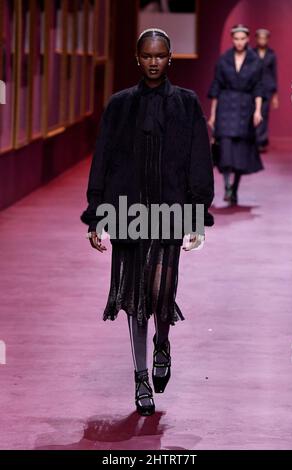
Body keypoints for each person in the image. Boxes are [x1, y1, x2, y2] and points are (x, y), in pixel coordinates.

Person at [81, 28, 214, 416]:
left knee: (160, 292)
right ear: (137, 58)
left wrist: (197, 215)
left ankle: (163, 343)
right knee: (136, 297)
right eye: (146, 55)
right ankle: (141, 377)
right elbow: (102, 159)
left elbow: (198, 160)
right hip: (128, 210)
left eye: (160, 55)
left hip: (170, 210)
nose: (153, 61)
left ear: (169, 58)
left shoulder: (187, 104)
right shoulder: (119, 105)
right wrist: (97, 215)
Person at [208, 24, 264, 205]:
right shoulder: (224, 59)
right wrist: (213, 114)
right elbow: (216, 86)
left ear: (247, 39)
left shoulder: (255, 60)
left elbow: (258, 87)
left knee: (241, 151)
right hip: (225, 105)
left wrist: (257, 110)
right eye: (236, 38)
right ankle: (227, 187)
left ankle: (235, 189)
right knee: (225, 148)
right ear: (232, 39)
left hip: (245, 107)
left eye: (242, 38)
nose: (239, 42)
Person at [254, 28, 279, 152]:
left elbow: (274, 74)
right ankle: (253, 140)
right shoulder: (251, 53)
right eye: (260, 37)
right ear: (256, 38)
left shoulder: (271, 54)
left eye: (264, 38)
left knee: (264, 114)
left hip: (268, 88)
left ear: (267, 39)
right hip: (253, 87)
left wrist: (275, 95)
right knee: (253, 114)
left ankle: (261, 141)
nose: (262, 40)